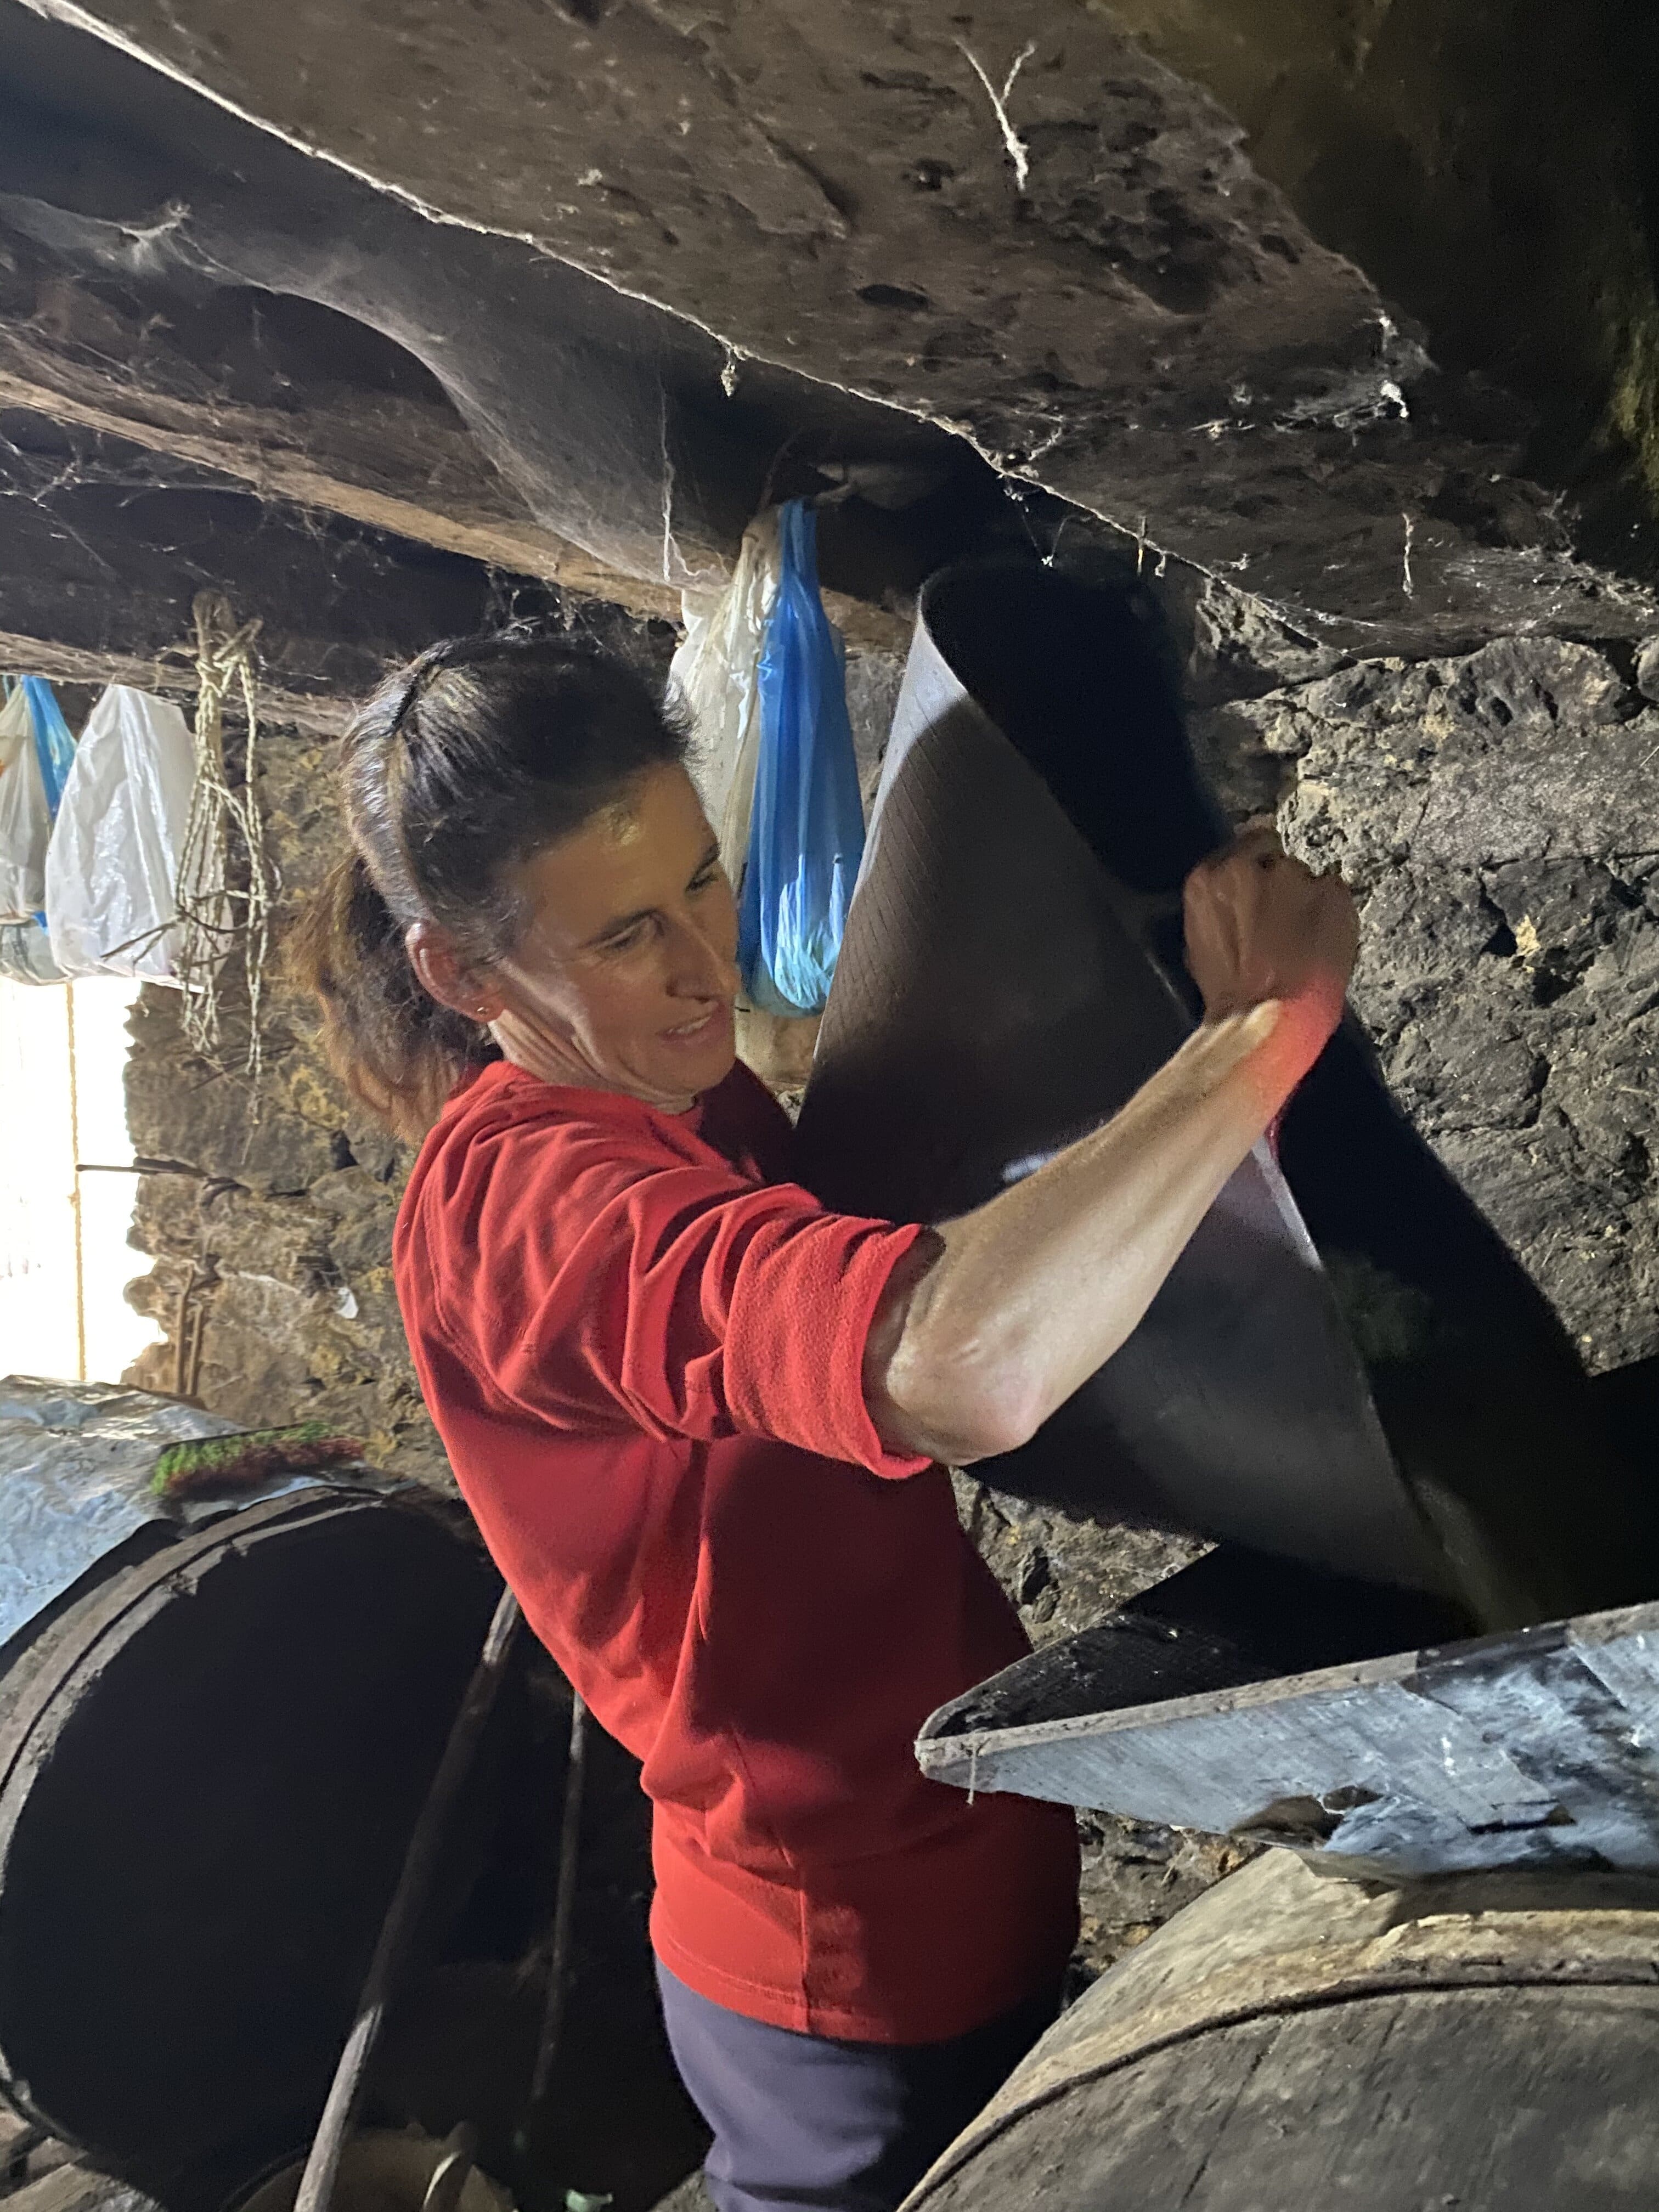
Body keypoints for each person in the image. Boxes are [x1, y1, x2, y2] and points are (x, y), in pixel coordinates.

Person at [292, 633, 1358, 2212]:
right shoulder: (534, 1211)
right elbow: (963, 1369)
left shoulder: (684, 1092)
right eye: (627, 934)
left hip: (953, 1864)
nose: (703, 966)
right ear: (462, 975)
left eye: (703, 882)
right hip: (827, 1960)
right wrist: (1261, 1027)